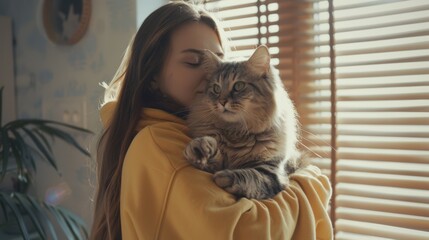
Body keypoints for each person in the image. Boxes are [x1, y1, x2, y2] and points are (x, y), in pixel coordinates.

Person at [90, 2, 333, 240]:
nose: (212, 76)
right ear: (152, 76)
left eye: (217, 62)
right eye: (194, 62)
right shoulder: (159, 144)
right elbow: (245, 231)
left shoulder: (185, 129)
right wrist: (310, 183)